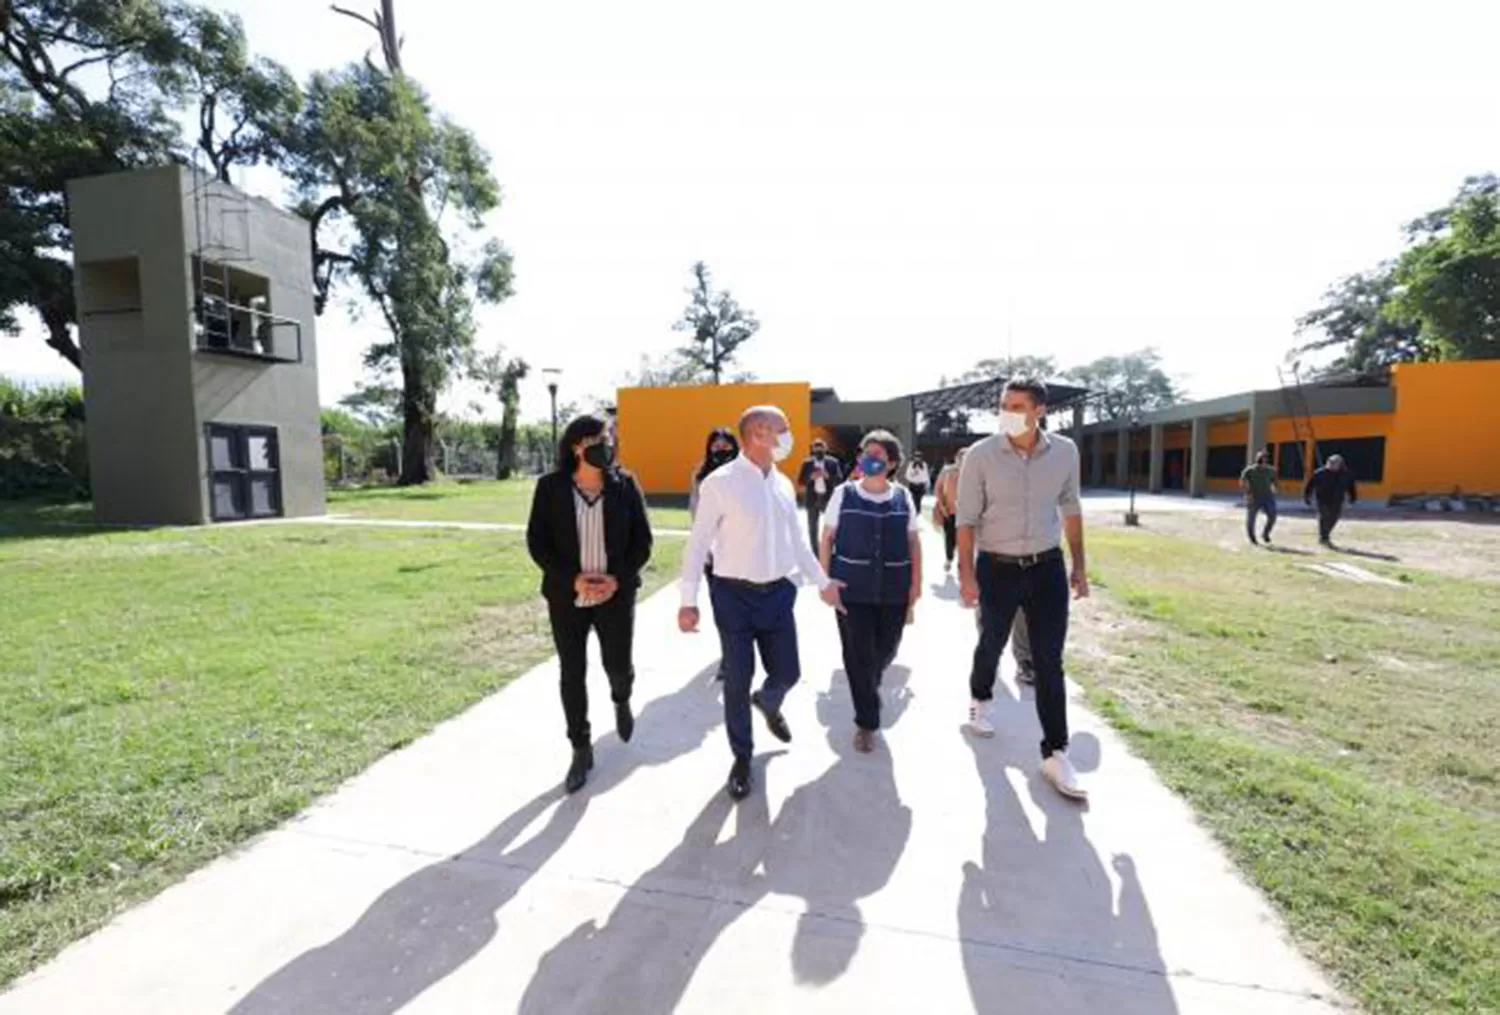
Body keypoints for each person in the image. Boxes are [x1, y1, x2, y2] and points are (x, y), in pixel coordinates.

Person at [679, 406, 841, 801]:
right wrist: (689, 600)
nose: (789, 437)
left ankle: (768, 701)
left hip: (779, 593)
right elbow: (698, 542)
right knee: (737, 680)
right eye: (782, 430)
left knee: (787, 671)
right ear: (759, 433)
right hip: (732, 595)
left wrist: (822, 583)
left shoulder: (783, 484)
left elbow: (798, 542)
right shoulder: (720, 483)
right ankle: (741, 757)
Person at [957, 378, 1089, 801]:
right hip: (996, 568)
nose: (1007, 411)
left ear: (1040, 412)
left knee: (1048, 660)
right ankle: (980, 697)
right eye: (1004, 404)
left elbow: (1071, 508)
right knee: (992, 642)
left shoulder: (1065, 452)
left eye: (1016, 405)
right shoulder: (981, 456)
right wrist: (966, 574)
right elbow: (966, 519)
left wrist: (1080, 566)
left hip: (1047, 567)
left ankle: (1055, 753)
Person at [526, 415, 654, 794]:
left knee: (617, 664)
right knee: (572, 671)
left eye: (610, 437)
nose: (608, 444)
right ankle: (581, 748)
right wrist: (573, 578)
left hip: (615, 594)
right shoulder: (550, 488)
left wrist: (617, 578)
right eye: (600, 438)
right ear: (577, 445)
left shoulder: (625, 485)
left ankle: (621, 697)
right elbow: (538, 542)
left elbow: (642, 542)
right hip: (568, 596)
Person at [818, 430, 922, 752]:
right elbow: (827, 538)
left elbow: (913, 542)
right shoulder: (843, 494)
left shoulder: (903, 497)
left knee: (887, 650)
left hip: (893, 588)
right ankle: (867, 722)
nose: (869, 459)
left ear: (892, 464)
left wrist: (915, 586)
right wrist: (825, 582)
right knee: (859, 654)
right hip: (851, 588)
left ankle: (868, 686)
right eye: (866, 453)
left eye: (878, 456)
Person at [691, 428, 740, 682]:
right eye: (715, 445)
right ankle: (728, 657)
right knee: (721, 608)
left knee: (740, 610)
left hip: (743, 555)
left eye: (725, 445)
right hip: (714, 556)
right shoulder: (701, 478)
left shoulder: (747, 474)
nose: (720, 450)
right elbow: (696, 516)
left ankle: (738, 652)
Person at [797, 439, 843, 550]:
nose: (818, 452)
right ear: (812, 450)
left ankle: (832, 548)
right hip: (812, 498)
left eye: (821, 449)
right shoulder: (807, 463)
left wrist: (828, 477)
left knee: (832, 524)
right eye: (816, 450)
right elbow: (801, 481)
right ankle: (814, 550)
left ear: (826, 449)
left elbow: (839, 479)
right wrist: (810, 478)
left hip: (828, 498)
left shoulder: (833, 463)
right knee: (812, 526)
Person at [1305, 453, 1358, 547]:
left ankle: (1325, 534)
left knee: (1333, 518)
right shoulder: (1319, 473)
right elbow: (1310, 486)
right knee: (1324, 516)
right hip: (1322, 499)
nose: (1331, 464)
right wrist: (1307, 497)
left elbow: (1351, 487)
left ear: (1340, 464)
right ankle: (1324, 537)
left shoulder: (1346, 474)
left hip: (1337, 500)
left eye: (1334, 463)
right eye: (1330, 462)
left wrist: (1353, 498)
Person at [1240, 450, 1279, 546]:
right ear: (1258, 462)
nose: (1264, 464)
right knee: (1251, 519)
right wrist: (1247, 494)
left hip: (1268, 497)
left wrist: (1275, 487)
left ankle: (1265, 534)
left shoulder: (1271, 471)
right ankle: (1252, 539)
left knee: (1272, 516)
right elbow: (1242, 481)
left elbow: (1275, 482)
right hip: (1254, 497)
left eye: (1265, 461)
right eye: (1262, 462)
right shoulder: (1250, 470)